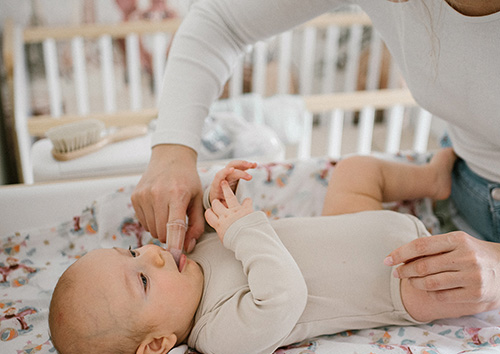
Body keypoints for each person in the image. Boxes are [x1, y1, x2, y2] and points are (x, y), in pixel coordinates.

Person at [131, 0, 500, 317]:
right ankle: (434, 177)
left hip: (389, 271)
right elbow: (221, 20)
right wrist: (174, 153)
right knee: (354, 169)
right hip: (448, 192)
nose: (152, 254)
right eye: (136, 266)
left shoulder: (219, 327)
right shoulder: (205, 322)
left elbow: (280, 301)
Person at [49, 148, 491, 354]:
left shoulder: (193, 260)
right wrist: (240, 229)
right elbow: (284, 294)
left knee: (354, 170)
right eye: (143, 280)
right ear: (158, 344)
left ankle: (432, 181)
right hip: (398, 281)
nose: (152, 255)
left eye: (132, 252)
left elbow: (245, 231)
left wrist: (219, 198)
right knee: (456, 287)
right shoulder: (219, 332)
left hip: (349, 222)